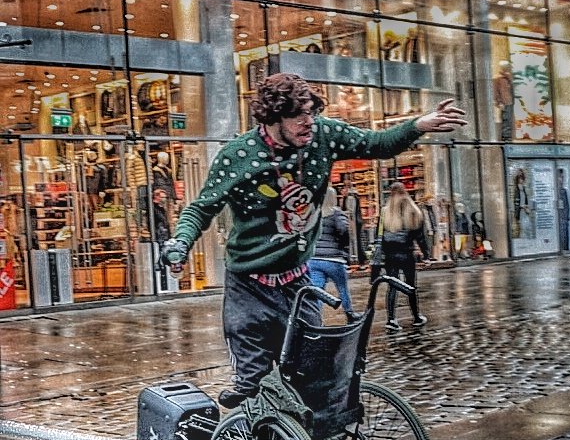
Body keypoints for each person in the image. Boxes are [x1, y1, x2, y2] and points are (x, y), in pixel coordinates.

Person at [161, 73, 466, 405]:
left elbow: (375, 144)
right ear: (273, 116)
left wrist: (419, 124)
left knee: (311, 377)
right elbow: (202, 208)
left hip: (296, 282)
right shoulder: (237, 156)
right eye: (299, 115)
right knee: (253, 382)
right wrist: (180, 243)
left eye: (312, 112)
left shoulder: (323, 136)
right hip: (248, 286)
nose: (309, 122)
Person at [380, 182, 431, 332]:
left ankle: (391, 319)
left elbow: (380, 237)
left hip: (390, 255)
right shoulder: (413, 211)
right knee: (410, 286)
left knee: (392, 287)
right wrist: (426, 254)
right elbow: (420, 236)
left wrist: (381, 253)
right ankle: (416, 316)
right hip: (407, 253)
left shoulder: (385, 212)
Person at [307, 187, 359, 323]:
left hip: (314, 259)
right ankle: (350, 314)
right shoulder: (336, 213)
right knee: (342, 288)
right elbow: (344, 231)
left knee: (319, 291)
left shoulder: (313, 215)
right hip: (334, 259)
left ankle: (316, 319)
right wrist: (343, 248)